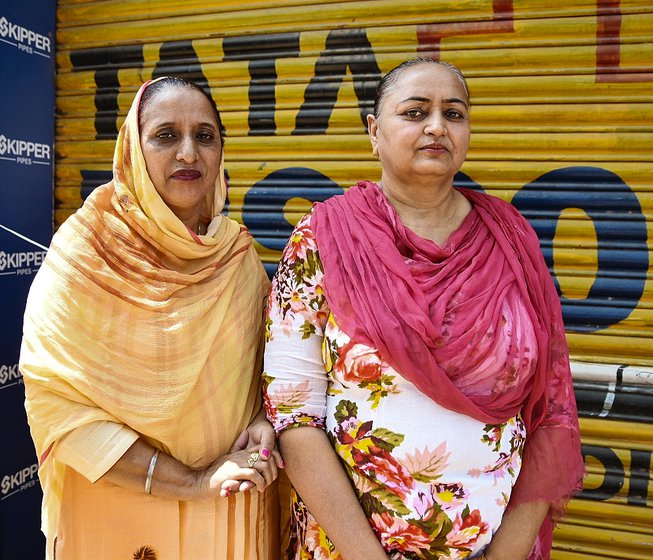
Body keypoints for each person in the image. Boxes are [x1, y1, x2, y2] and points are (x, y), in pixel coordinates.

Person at [262, 58, 584, 560]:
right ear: (374, 132)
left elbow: (550, 409)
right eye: (415, 112)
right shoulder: (322, 241)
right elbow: (293, 414)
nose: (436, 126)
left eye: (454, 114)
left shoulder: (510, 239)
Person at [20, 76, 283, 560]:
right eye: (166, 135)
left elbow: (266, 378)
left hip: (227, 506)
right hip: (118, 514)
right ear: (133, 151)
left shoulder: (236, 257)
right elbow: (58, 405)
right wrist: (191, 482)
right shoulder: (86, 252)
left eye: (204, 136)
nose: (188, 153)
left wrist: (264, 421)